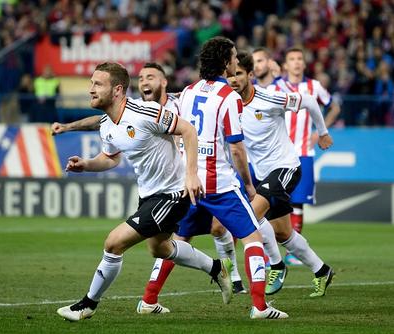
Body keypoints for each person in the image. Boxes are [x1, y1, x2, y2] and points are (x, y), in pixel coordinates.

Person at [52, 62, 248, 298]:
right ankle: (217, 269)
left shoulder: (145, 111)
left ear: (117, 90)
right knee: (160, 248)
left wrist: (191, 174)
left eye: (98, 84)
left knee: (114, 243)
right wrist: (87, 165)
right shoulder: (107, 125)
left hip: (173, 194)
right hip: (148, 194)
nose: (91, 89)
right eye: (91, 83)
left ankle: (87, 304)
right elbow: (110, 158)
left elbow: (188, 130)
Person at [137, 37, 288, 320]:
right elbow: (236, 147)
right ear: (224, 61)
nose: (235, 60)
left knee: (176, 239)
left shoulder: (189, 92)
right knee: (252, 237)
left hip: (189, 182)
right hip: (218, 183)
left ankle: (148, 299)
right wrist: (248, 183)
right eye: (232, 56)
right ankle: (259, 307)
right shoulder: (229, 97)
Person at [228, 51, 335, 298]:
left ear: (251, 76)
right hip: (264, 175)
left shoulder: (268, 98)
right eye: (230, 75)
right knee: (284, 233)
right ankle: (322, 270)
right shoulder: (229, 106)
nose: (233, 80)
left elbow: (308, 101)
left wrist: (322, 132)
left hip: (286, 167)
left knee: (248, 215)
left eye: (239, 74)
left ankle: (276, 265)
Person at [280, 47, 341, 266]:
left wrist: (320, 130)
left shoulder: (313, 86)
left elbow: (334, 106)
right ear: (285, 65)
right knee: (273, 202)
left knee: (298, 203)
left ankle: (293, 253)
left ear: (304, 64)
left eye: (299, 59)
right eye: (292, 59)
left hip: (304, 153)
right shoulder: (277, 86)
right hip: (279, 153)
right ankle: (271, 252)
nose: (296, 62)